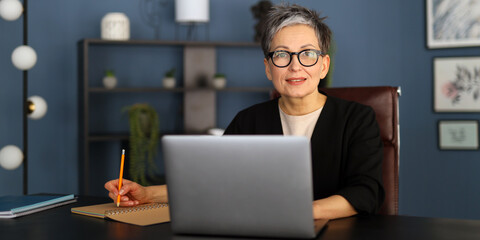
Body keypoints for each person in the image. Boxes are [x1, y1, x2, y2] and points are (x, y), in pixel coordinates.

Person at [105, 3, 384, 220]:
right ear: (268, 68)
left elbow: (366, 192)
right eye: (282, 55)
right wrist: (146, 193)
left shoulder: (357, 119)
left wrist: (301, 212)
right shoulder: (249, 120)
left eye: (307, 53)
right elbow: (213, 182)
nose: (295, 66)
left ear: (323, 65)